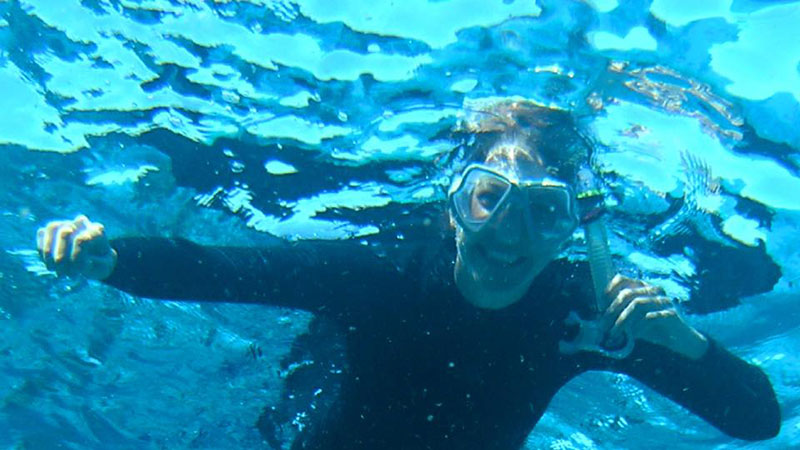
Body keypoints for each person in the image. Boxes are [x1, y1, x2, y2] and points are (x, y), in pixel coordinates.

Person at [36, 100, 780, 449]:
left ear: (574, 227)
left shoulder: (587, 316)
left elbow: (757, 421)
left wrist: (689, 347)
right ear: (455, 203)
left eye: (546, 213)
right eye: (492, 200)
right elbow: (230, 270)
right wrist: (113, 258)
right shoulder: (381, 274)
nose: (512, 239)